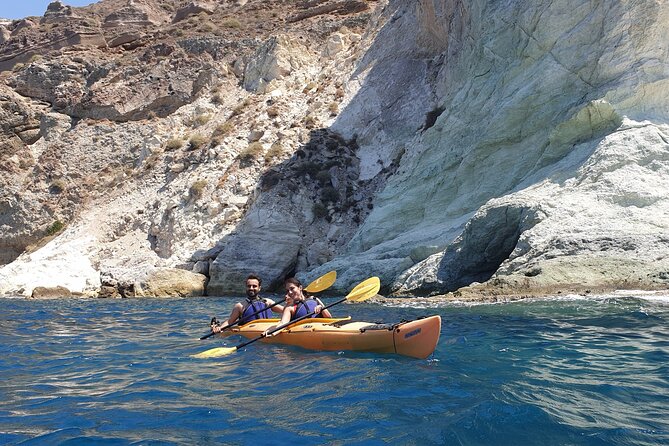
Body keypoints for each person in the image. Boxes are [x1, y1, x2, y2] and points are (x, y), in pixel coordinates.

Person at [211, 274, 283, 333]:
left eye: (254, 286)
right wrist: (220, 328)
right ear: (246, 288)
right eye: (249, 286)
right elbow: (230, 322)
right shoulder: (240, 306)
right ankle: (215, 326)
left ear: (259, 288)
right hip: (250, 333)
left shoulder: (268, 302)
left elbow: (285, 310)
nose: (251, 288)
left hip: (268, 330)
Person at [264, 277, 332, 336]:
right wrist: (272, 333)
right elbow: (283, 323)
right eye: (288, 290)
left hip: (320, 329)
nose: (290, 292)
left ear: (300, 288)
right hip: (304, 333)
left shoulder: (315, 299)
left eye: (292, 288)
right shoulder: (290, 308)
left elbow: (329, 318)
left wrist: (322, 308)